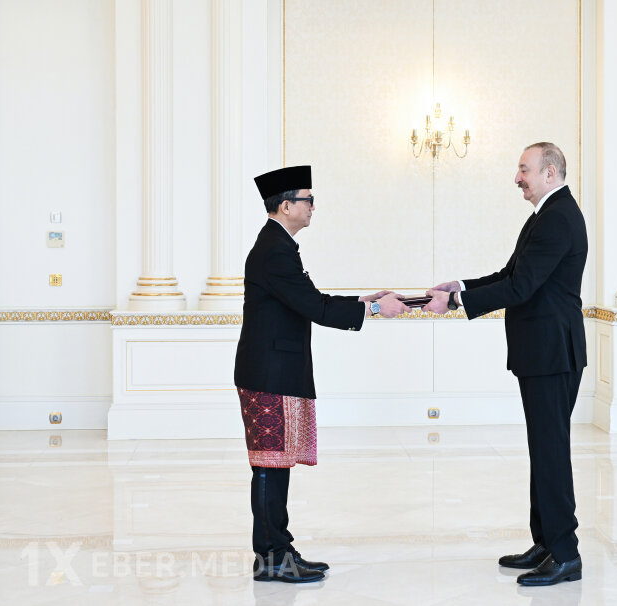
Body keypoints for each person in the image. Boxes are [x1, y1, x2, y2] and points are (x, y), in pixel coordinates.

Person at [234, 165, 409, 583]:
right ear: (286, 205)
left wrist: (362, 301)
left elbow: (309, 299)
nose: (313, 206)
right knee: (269, 465)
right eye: (308, 199)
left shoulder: (279, 245)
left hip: (274, 370)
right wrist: (374, 309)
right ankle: (271, 556)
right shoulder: (274, 249)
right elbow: (314, 307)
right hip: (268, 373)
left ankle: (279, 548)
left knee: (276, 464)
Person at [424, 142, 587, 587]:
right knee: (543, 449)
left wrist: (456, 303)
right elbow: (509, 276)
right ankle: (546, 542)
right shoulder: (544, 216)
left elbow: (522, 287)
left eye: (524, 169)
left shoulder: (558, 217)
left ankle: (566, 554)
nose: (517, 178)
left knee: (551, 452)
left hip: (552, 353)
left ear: (550, 173)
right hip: (542, 352)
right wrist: (459, 287)